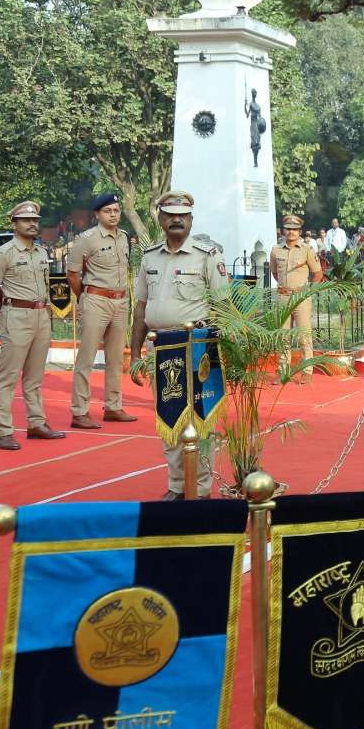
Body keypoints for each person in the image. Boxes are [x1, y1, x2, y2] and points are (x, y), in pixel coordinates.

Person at [129, 191, 227, 500]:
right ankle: (176, 485)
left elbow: (224, 306)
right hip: (160, 346)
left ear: (191, 220)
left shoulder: (206, 255)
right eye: (170, 215)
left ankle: (199, 488)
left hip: (197, 346)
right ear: (160, 219)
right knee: (169, 416)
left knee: (200, 417)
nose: (176, 220)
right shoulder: (150, 256)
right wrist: (133, 352)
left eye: (182, 215)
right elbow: (141, 309)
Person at [0, 202, 66, 451]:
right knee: (8, 376)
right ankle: (3, 431)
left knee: (35, 376)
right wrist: (9, 311)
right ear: (14, 223)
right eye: (25, 220)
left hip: (40, 314)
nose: (32, 224)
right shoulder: (3, 254)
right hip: (16, 314)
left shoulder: (41, 252)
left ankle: (36, 423)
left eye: (35, 220)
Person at [67, 192, 138, 429]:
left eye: (116, 210)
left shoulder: (124, 237)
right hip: (95, 299)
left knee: (116, 359)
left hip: (120, 301)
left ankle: (113, 406)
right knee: (86, 359)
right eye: (108, 211)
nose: (113, 215)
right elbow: (73, 275)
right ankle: (79, 412)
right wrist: (85, 297)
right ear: (97, 214)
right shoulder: (87, 239)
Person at [270, 213, 325, 381]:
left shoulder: (307, 250)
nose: (291, 232)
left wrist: (307, 290)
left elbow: (317, 274)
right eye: (288, 229)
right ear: (283, 231)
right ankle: (283, 372)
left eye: (294, 229)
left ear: (300, 231)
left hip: (301, 298)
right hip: (283, 297)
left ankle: (307, 372)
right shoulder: (275, 250)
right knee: (282, 336)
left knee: (304, 336)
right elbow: (274, 273)